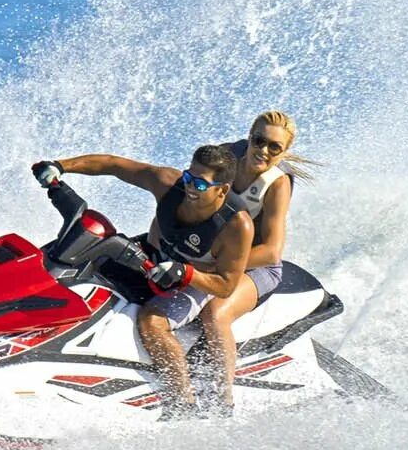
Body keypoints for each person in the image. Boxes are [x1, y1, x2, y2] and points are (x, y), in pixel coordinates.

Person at [31, 144, 251, 417]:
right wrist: (61, 166)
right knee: (76, 259)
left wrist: (187, 273)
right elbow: (112, 164)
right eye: (188, 177)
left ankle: (183, 405)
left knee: (152, 322)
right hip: (152, 258)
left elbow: (227, 285)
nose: (190, 188)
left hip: (196, 281)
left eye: (200, 184)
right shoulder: (168, 184)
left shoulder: (237, 227)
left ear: (222, 189)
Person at [199, 110, 314, 411]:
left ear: (284, 152)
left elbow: (272, 251)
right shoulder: (224, 159)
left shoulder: (278, 185)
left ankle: (221, 401)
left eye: (274, 147)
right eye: (258, 141)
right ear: (248, 137)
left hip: (258, 266)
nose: (263, 150)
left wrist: (216, 266)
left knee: (214, 314)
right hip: (214, 254)